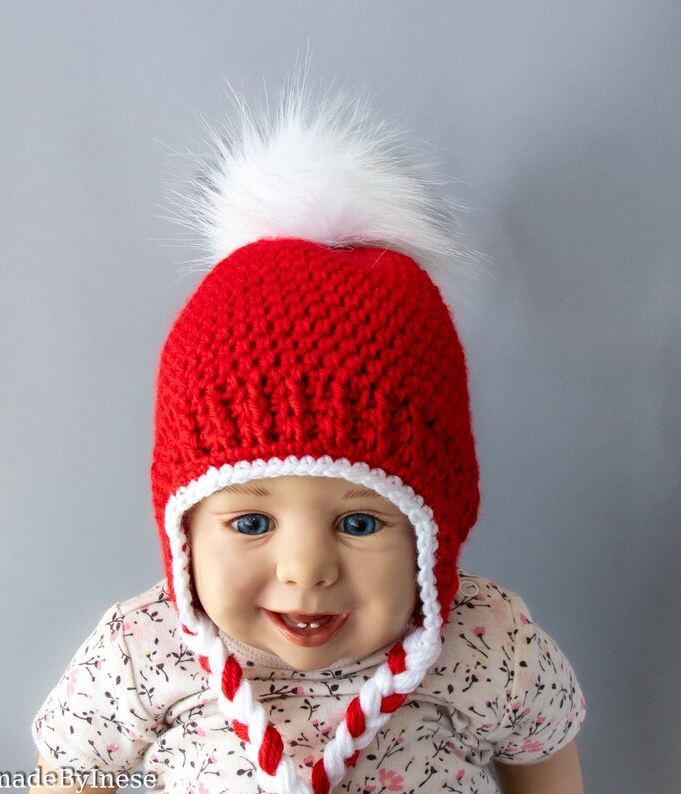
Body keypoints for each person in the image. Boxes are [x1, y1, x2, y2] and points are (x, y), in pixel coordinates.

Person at [30, 85, 585, 794]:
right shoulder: (143, 652)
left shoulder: (484, 646)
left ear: (436, 528)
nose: (305, 570)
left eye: (359, 522)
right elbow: (71, 774)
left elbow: (548, 766)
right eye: (252, 522)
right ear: (183, 528)